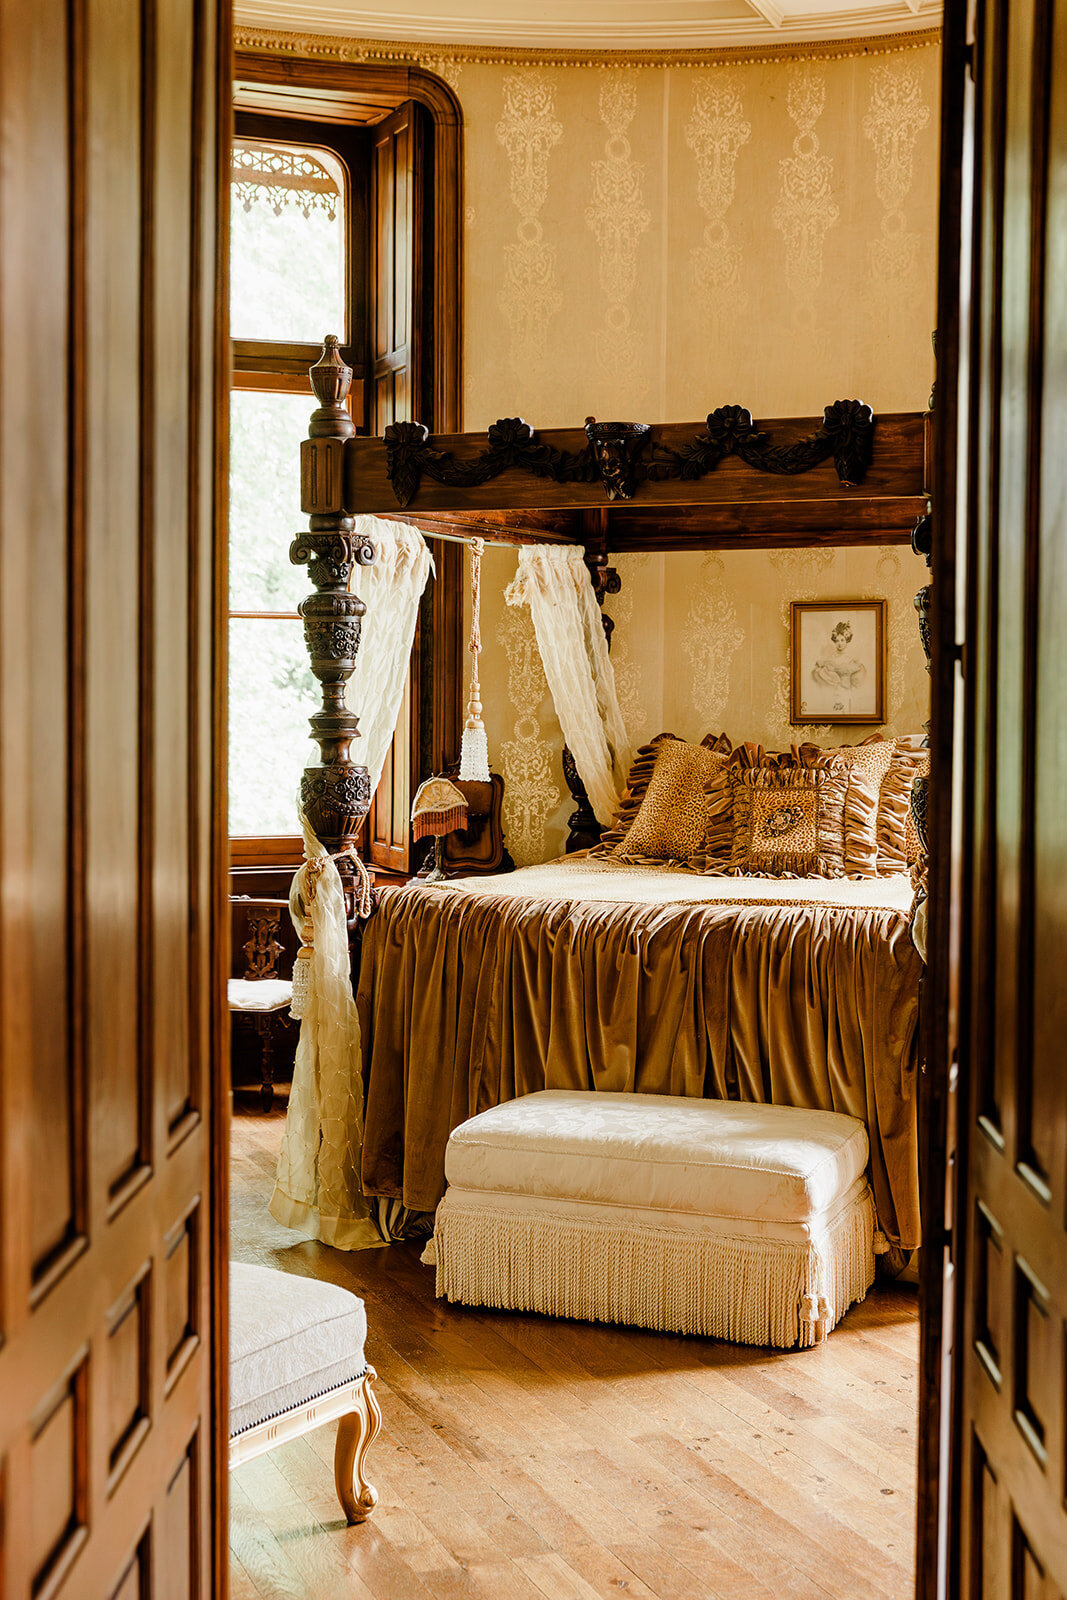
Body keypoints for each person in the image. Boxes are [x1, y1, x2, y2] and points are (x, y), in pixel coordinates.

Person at [811, 620, 866, 693]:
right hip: (832, 693)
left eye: (842, 640)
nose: (840, 644)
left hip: (847, 692)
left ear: (847, 641)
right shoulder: (830, 659)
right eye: (837, 641)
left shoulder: (850, 659)